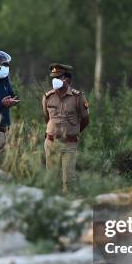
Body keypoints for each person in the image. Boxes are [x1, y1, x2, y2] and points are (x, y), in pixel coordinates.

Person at [42, 63, 89, 192]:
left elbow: (85, 119)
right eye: (53, 77)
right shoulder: (48, 97)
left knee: (68, 181)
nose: (54, 81)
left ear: (66, 79)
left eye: (57, 77)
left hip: (69, 144)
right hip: (51, 142)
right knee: (51, 180)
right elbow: (47, 118)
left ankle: (67, 207)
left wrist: (73, 132)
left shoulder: (77, 97)